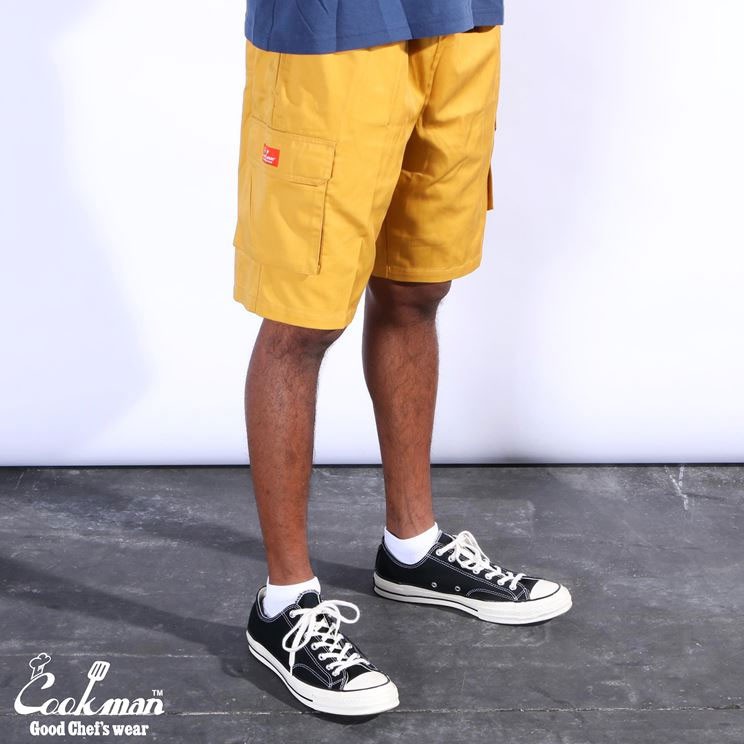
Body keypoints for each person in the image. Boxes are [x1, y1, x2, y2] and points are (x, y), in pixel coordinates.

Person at [232, 0, 571, 717]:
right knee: (301, 318)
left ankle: (411, 548)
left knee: (418, 287)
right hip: (329, 34)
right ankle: (284, 603)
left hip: (459, 22)